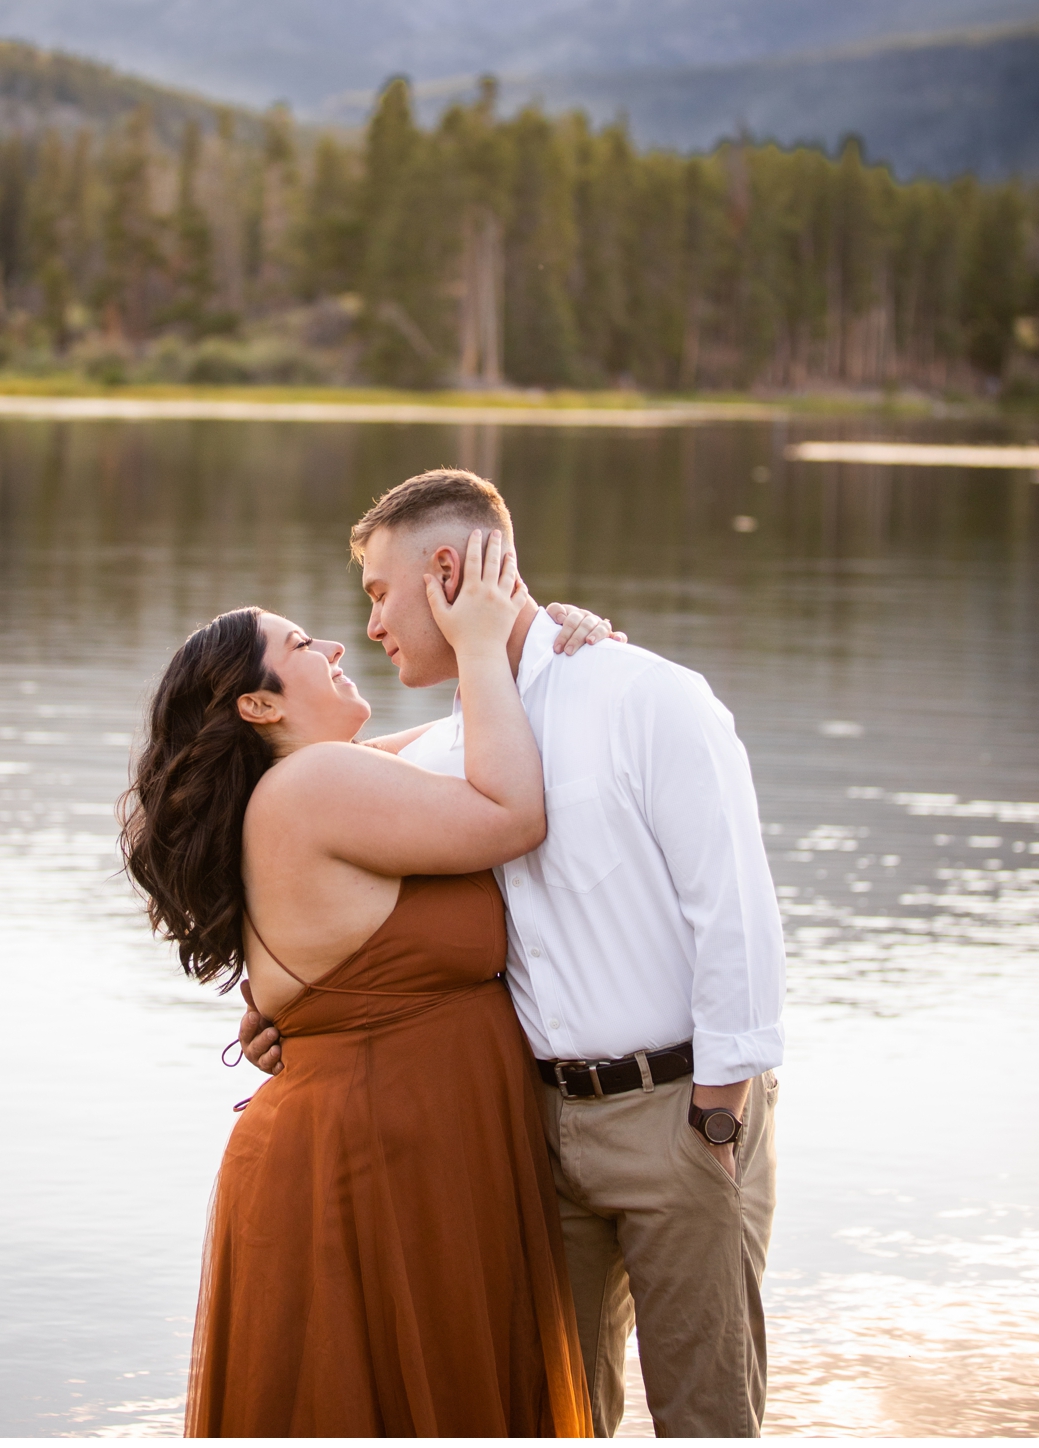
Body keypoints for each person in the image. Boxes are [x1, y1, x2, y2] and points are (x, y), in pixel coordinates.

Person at [241, 468, 786, 1437]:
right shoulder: (461, 742)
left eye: (377, 592)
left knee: (708, 1418)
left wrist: (714, 1118)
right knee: (555, 1415)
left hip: (679, 1116)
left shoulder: (647, 696)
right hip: (535, 1133)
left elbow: (735, 912)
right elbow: (310, 829)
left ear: (447, 570)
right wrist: (286, 1009)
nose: (368, 626)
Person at [124, 530, 611, 1435]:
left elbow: (479, 730)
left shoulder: (336, 777)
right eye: (304, 645)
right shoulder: (315, 787)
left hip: (401, 1148)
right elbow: (512, 812)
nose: (338, 645)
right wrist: (475, 643)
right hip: (367, 1169)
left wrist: (542, 639)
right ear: (259, 705)